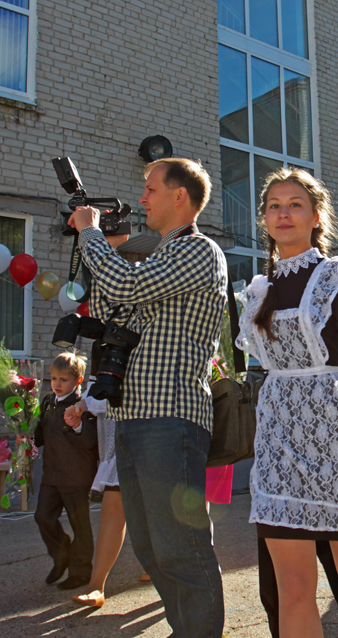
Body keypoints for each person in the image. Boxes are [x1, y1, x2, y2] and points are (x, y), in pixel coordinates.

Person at [68, 158, 227, 637]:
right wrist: (111, 250)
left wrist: (92, 234)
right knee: (152, 548)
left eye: (150, 189)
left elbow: (124, 285)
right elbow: (113, 304)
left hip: (171, 417)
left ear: (180, 196)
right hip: (135, 416)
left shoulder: (199, 250)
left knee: (181, 546)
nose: (142, 199)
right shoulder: (160, 256)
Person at [235, 167, 338, 638]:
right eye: (274, 206)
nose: (284, 213)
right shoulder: (257, 290)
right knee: (293, 588)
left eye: (295, 204)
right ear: (264, 219)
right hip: (279, 432)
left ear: (316, 216)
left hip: (333, 431)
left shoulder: (335, 275)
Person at [64, 342, 127, 608]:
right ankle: (96, 585)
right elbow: (99, 388)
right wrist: (81, 406)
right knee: (114, 507)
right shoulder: (103, 339)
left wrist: (84, 404)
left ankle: (164, 573)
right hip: (115, 445)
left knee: (155, 512)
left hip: (141, 431)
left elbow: (107, 396)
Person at [33, 351, 98, 591]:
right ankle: (61, 554)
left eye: (63, 379)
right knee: (42, 516)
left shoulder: (84, 405)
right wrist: (26, 430)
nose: (57, 384)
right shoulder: (48, 402)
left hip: (76, 476)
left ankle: (80, 572)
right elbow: (41, 434)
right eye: (53, 379)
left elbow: (90, 441)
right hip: (52, 475)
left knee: (79, 523)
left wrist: (78, 425)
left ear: (77, 381)